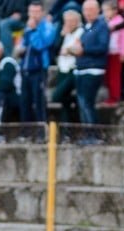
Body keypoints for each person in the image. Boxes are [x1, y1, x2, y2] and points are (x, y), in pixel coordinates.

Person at [16, 1, 57, 142]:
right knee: (24, 102)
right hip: (26, 69)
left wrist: (34, 31)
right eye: (31, 12)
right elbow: (24, 45)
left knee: (39, 102)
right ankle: (25, 133)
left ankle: (42, 132)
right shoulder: (28, 28)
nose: (33, 15)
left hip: (39, 69)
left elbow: (41, 45)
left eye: (36, 11)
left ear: (42, 12)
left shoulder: (48, 27)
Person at [72, 0, 109, 145]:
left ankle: (94, 135)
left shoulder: (101, 26)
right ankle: (87, 134)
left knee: (87, 103)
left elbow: (102, 47)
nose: (88, 12)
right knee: (82, 104)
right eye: (85, 9)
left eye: (91, 9)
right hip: (81, 69)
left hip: (93, 69)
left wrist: (84, 50)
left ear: (98, 10)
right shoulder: (87, 27)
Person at [50, 9, 85, 139]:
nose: (69, 23)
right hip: (62, 68)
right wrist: (62, 36)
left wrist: (70, 50)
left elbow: (79, 50)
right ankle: (66, 132)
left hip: (72, 68)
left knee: (57, 96)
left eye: (72, 21)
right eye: (67, 21)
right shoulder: (65, 34)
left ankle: (76, 102)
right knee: (63, 102)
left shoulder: (82, 32)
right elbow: (55, 49)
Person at [102, 0, 124, 106]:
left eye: (107, 10)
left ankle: (115, 96)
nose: (105, 13)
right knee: (108, 77)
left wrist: (123, 53)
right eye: (103, 11)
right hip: (107, 53)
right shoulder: (104, 21)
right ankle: (110, 95)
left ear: (115, 10)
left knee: (115, 76)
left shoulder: (120, 22)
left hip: (116, 53)